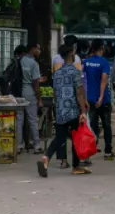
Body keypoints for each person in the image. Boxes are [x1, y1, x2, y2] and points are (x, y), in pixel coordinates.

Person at [38, 44, 90, 177]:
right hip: (72, 109)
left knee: (59, 138)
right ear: (72, 53)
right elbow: (79, 93)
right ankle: (76, 166)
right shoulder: (75, 71)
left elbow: (55, 93)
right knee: (76, 137)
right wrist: (83, 110)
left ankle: (46, 158)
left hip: (60, 109)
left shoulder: (57, 73)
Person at [83, 39, 115, 161]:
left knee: (92, 124)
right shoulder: (104, 62)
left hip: (89, 98)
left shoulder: (85, 63)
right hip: (104, 99)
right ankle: (108, 150)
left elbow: (82, 80)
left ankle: (93, 147)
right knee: (106, 125)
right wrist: (101, 97)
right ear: (102, 48)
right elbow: (104, 80)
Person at [15, 43, 43, 154]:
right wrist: (39, 98)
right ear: (32, 49)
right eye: (38, 49)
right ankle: (36, 146)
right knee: (32, 120)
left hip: (18, 93)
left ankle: (18, 145)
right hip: (29, 92)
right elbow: (35, 83)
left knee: (19, 119)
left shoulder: (19, 61)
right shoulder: (34, 63)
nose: (39, 51)